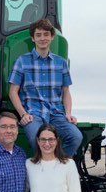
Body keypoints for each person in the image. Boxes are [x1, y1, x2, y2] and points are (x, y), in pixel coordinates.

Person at [8, 18, 83, 156]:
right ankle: (44, 168)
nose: (42, 38)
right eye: (38, 35)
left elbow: (66, 91)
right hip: (33, 113)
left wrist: (68, 113)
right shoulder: (22, 61)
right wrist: (23, 114)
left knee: (76, 137)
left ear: (52, 37)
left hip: (56, 113)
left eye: (46, 34)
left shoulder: (61, 63)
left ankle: (59, 166)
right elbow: (13, 92)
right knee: (35, 138)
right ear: (33, 38)